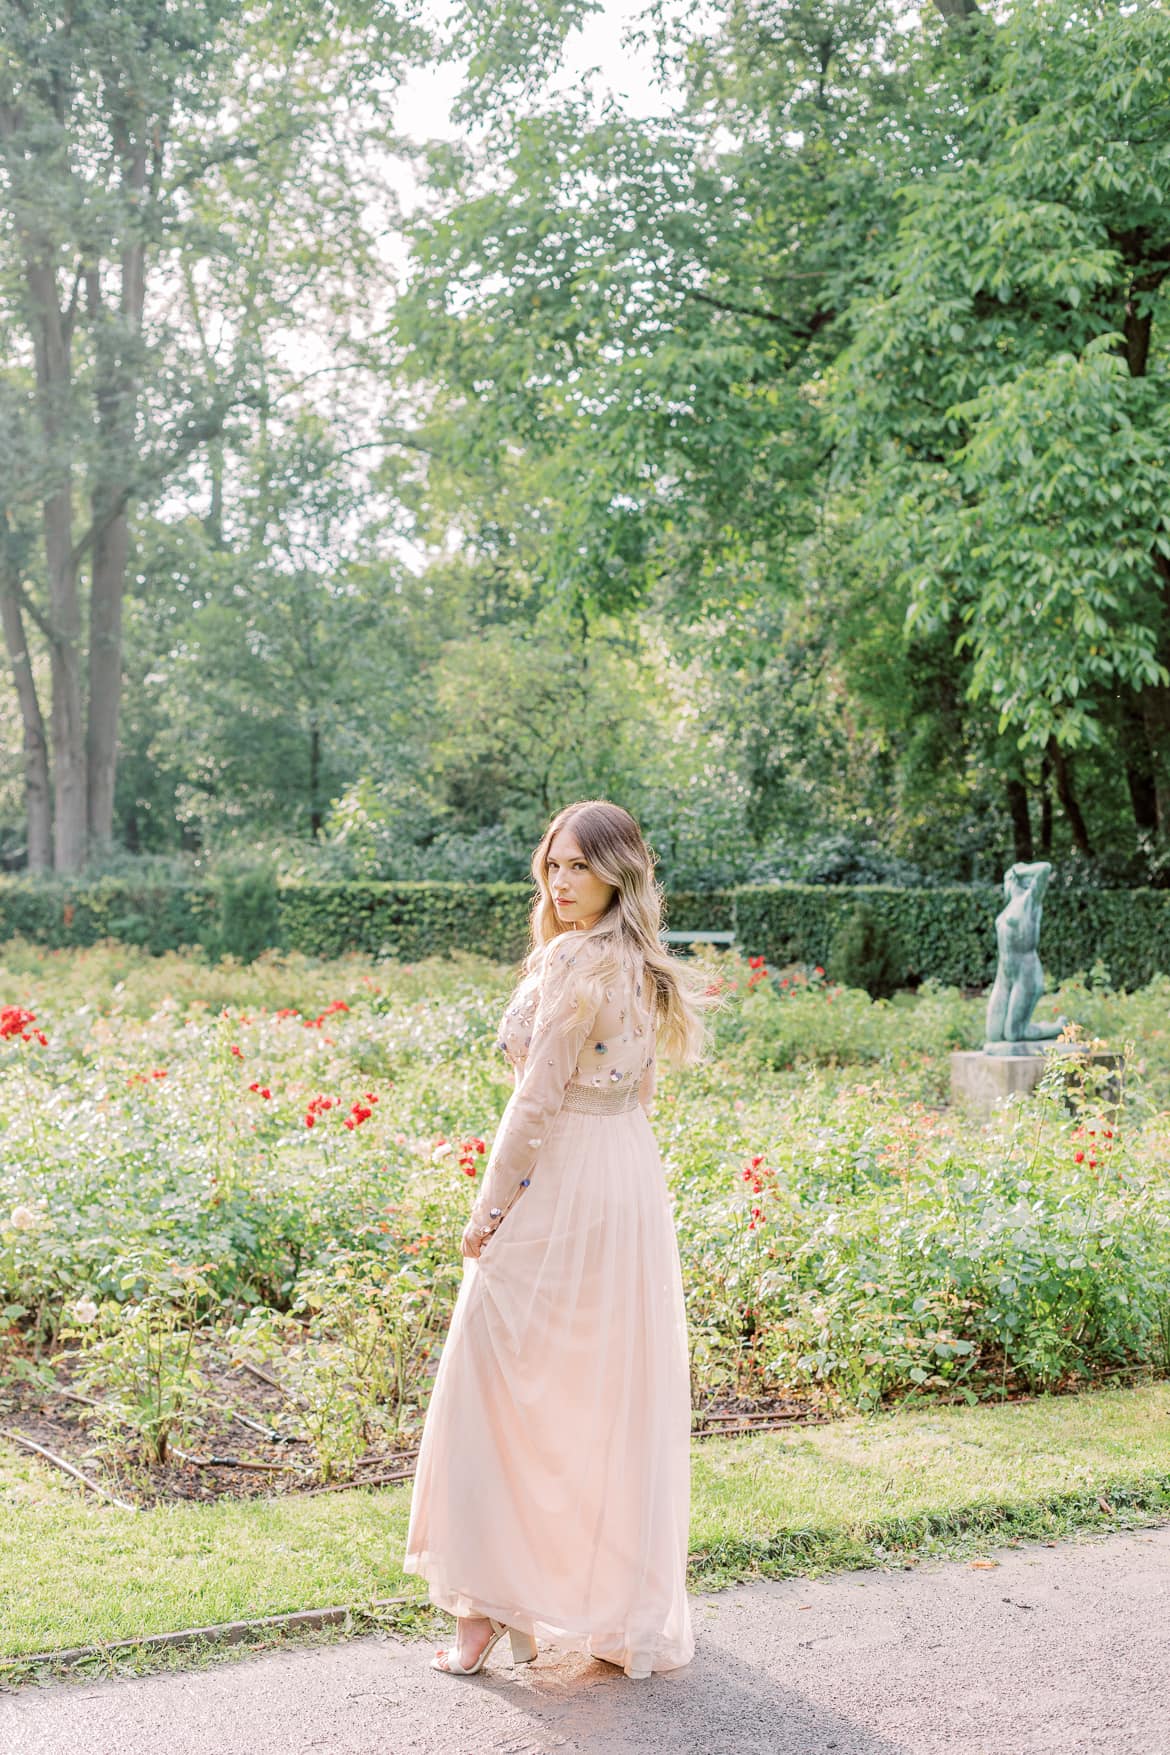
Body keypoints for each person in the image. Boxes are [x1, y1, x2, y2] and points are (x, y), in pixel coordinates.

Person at [402, 798, 715, 1680]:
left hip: (571, 1173)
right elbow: (642, 1091)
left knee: (489, 1382)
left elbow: (535, 1100)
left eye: (580, 864)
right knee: (597, 1390)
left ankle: (485, 1610)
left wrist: (488, 1209)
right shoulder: (640, 964)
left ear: (618, 870)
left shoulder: (577, 965)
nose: (562, 879)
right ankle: (578, 1605)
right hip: (624, 1176)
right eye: (554, 862)